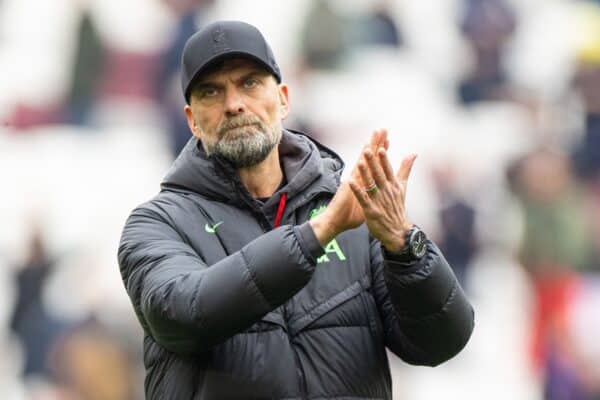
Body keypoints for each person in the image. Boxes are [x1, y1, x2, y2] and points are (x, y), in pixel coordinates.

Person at [118, 20, 474, 399]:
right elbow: (184, 314)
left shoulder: (354, 212)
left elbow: (441, 342)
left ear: (284, 99)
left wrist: (405, 248)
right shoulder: (157, 224)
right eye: (211, 92)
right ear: (192, 121)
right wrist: (318, 233)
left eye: (250, 83)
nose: (234, 104)